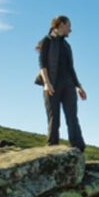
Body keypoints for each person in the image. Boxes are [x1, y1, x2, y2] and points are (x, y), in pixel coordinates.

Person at [36, 16, 87, 151]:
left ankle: (77, 147)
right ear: (62, 24)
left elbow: (71, 68)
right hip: (52, 85)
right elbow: (42, 65)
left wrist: (79, 86)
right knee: (54, 118)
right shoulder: (46, 41)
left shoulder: (66, 45)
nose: (70, 29)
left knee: (72, 117)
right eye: (69, 25)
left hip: (69, 85)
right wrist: (46, 83)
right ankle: (52, 147)